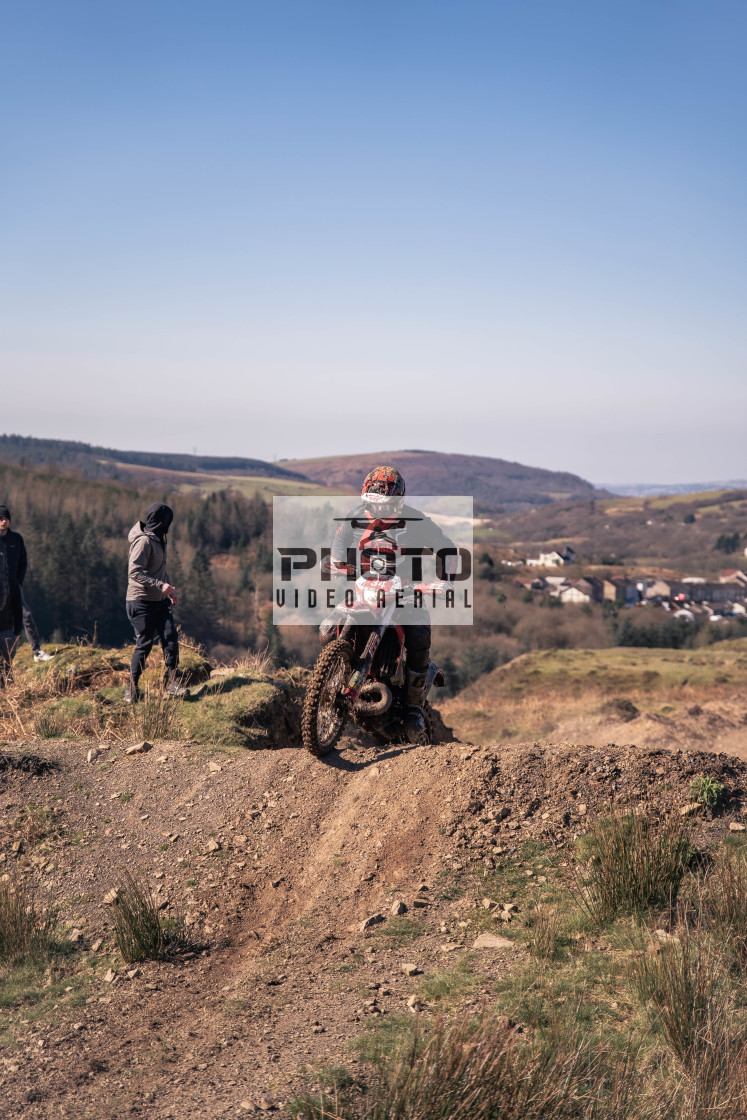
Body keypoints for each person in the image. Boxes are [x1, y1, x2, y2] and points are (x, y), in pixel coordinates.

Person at [329, 466, 455, 740]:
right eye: (372, 504)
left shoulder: (416, 520)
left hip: (406, 591)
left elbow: (447, 548)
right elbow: (339, 542)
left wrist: (445, 580)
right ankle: (331, 678)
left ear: (398, 503)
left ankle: (412, 709)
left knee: (418, 632)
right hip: (367, 589)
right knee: (330, 626)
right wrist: (337, 563)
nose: (378, 510)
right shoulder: (354, 516)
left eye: (385, 505)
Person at [125, 502, 188, 702]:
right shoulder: (143, 542)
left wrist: (168, 589)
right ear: (162, 521)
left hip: (160, 601)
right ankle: (131, 689)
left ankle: (173, 684)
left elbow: (158, 568)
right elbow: (134, 571)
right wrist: (160, 585)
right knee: (144, 644)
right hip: (141, 601)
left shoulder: (159, 539)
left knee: (170, 638)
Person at [0, 505, 26, 680]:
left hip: (12, 587)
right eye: (1, 518)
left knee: (8, 653)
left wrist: (17, 581)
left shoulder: (16, 539)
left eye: (6, 518)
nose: (4, 521)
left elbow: (23, 562)